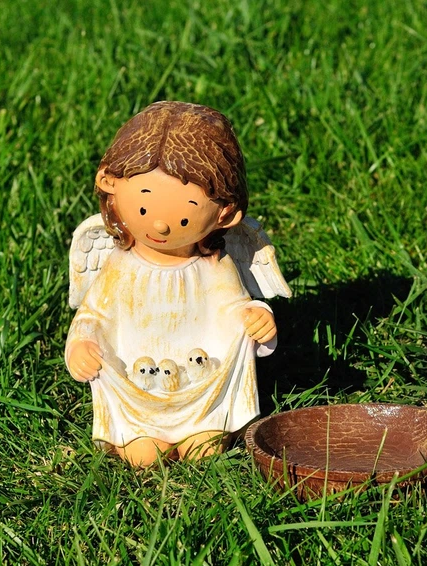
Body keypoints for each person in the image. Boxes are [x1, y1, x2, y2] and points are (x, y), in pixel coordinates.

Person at [66, 102, 281, 466]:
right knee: (144, 456)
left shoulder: (215, 266)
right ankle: (141, 434)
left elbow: (233, 310)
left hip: (201, 384)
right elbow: (94, 314)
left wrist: (256, 315)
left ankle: (203, 427)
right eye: (144, 209)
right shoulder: (120, 266)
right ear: (110, 185)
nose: (161, 226)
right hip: (136, 385)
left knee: (205, 450)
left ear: (226, 214)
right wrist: (81, 344)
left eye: (183, 218)